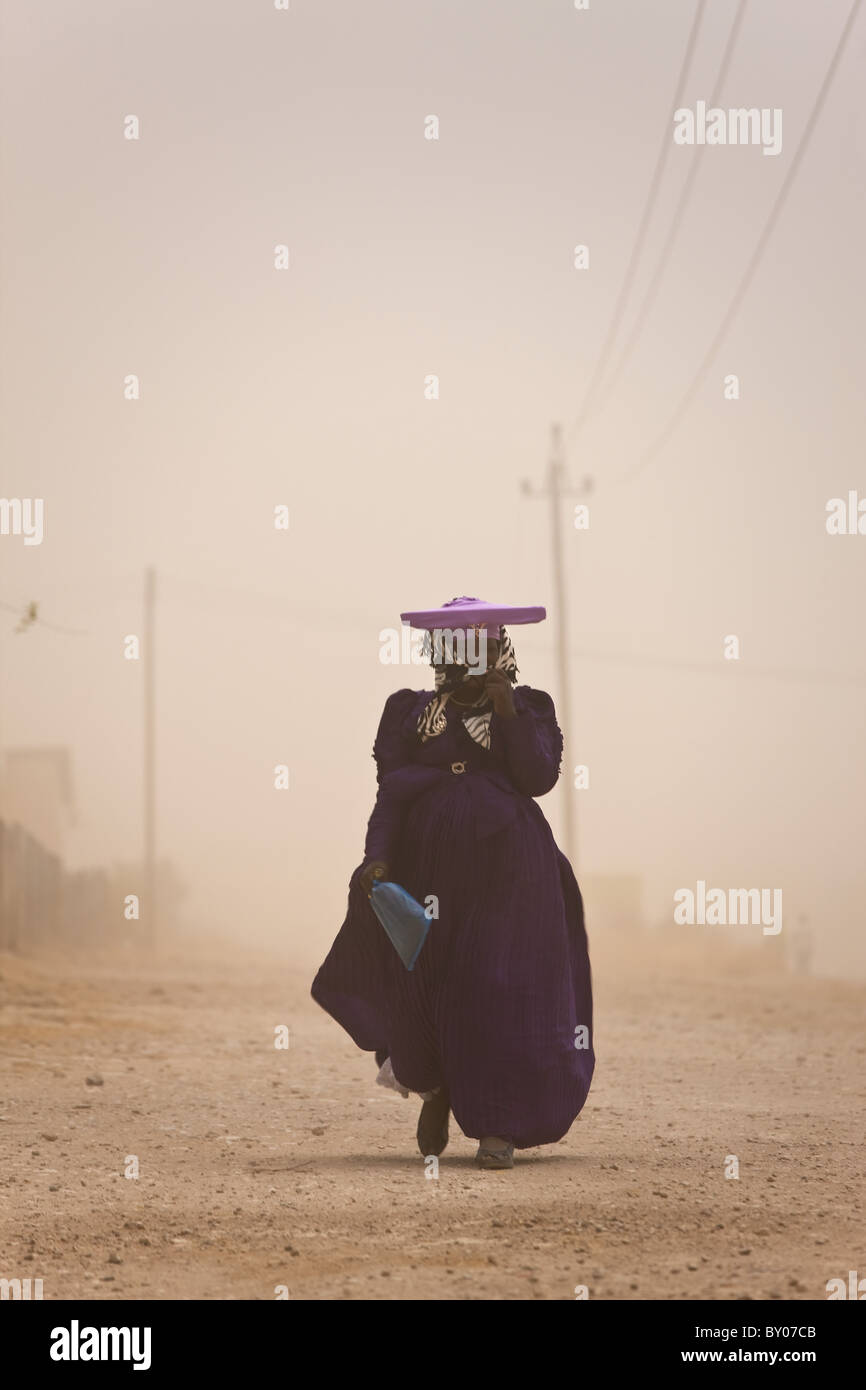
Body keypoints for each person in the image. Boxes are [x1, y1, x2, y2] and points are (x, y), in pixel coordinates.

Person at [311, 597, 594, 1169]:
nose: (461, 660)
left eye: (476, 648)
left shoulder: (529, 707)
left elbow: (537, 777)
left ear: (498, 650)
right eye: (450, 648)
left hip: (511, 872)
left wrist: (505, 710)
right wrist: (377, 859)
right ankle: (436, 1086)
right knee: (426, 983)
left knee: (502, 987)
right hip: (426, 869)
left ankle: (498, 1124)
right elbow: (392, 793)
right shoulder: (410, 712)